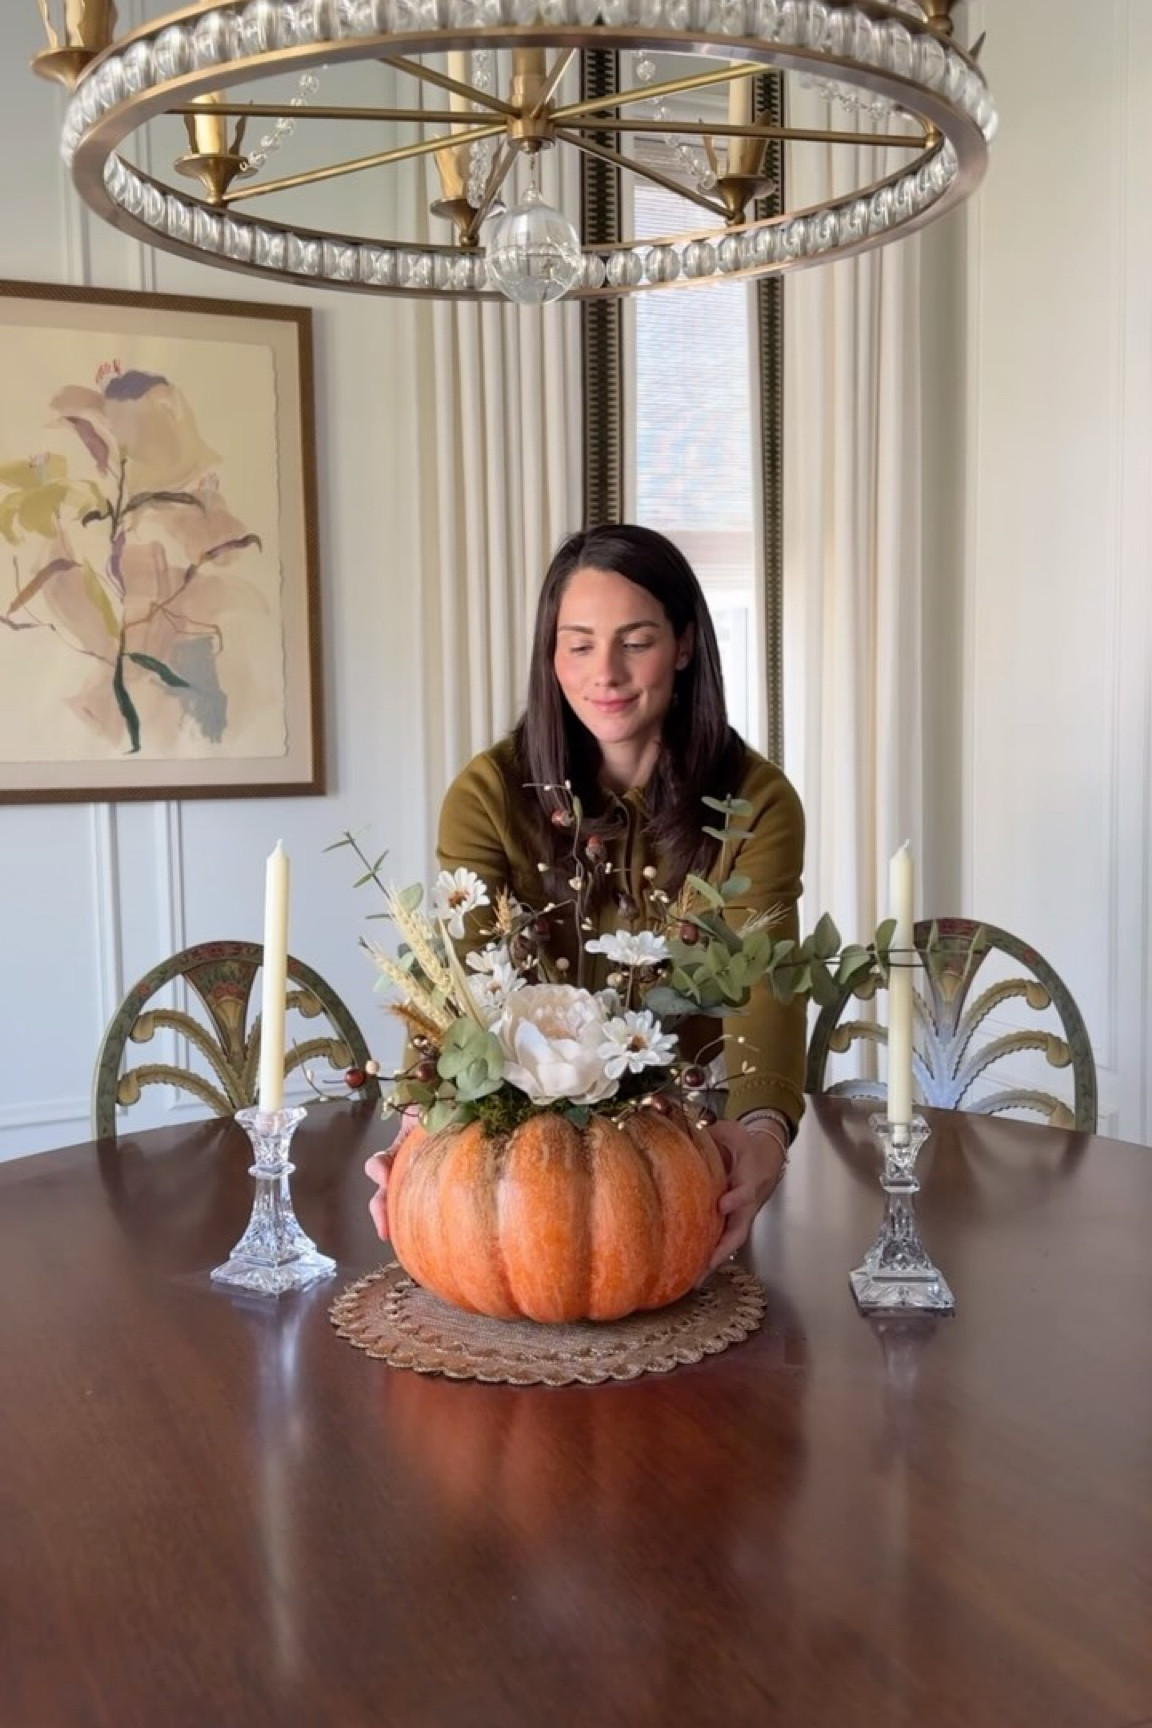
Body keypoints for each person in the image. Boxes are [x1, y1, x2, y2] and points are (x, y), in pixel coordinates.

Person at [366, 523, 806, 1268]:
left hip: (683, 1152)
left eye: (636, 641)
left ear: (687, 644)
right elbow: (463, 991)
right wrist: (419, 1120)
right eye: (579, 643)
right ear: (550, 654)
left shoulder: (756, 800)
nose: (606, 671)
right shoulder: (486, 795)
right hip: (513, 1157)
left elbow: (764, 978)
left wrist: (762, 1133)